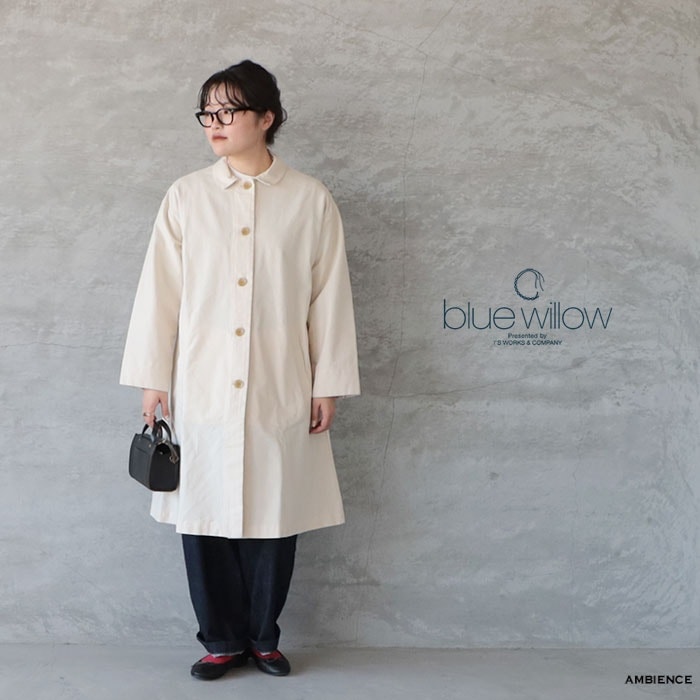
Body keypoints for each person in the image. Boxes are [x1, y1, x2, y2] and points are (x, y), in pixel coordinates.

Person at [120, 59, 360, 680]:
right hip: (200, 382)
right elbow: (159, 294)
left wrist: (329, 382)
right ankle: (221, 638)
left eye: (227, 110)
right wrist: (153, 378)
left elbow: (329, 297)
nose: (214, 123)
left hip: (282, 381)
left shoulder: (309, 199)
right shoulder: (186, 197)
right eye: (207, 112)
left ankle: (263, 635)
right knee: (201, 510)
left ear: (266, 117)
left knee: (276, 512)